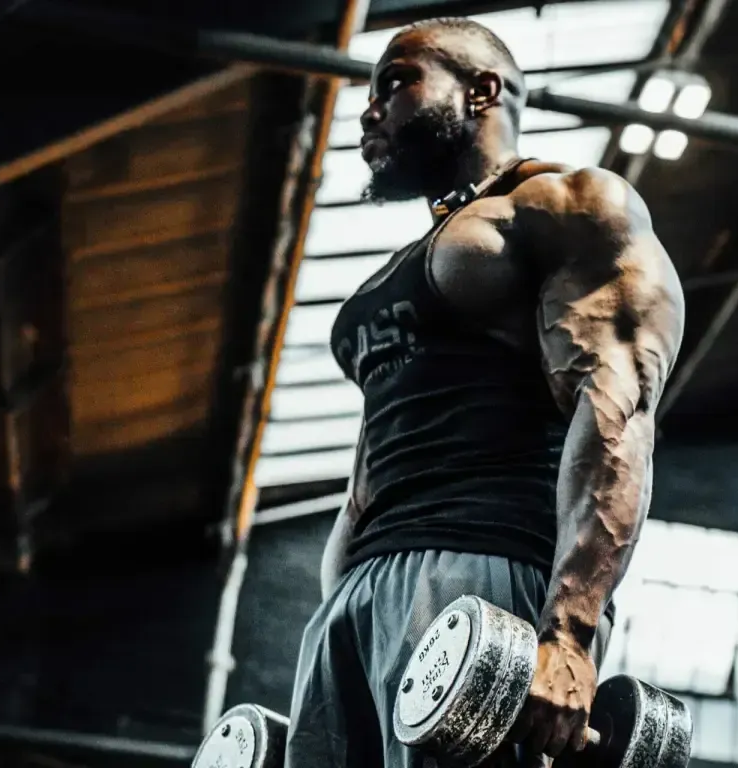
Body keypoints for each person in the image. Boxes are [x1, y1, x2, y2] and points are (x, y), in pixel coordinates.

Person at [284, 16, 684, 768]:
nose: (372, 109)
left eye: (397, 83)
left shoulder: (568, 206)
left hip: (484, 574)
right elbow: (370, 470)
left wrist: (568, 635)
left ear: (482, 91)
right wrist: (334, 621)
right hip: (361, 594)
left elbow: (618, 413)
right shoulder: (408, 260)